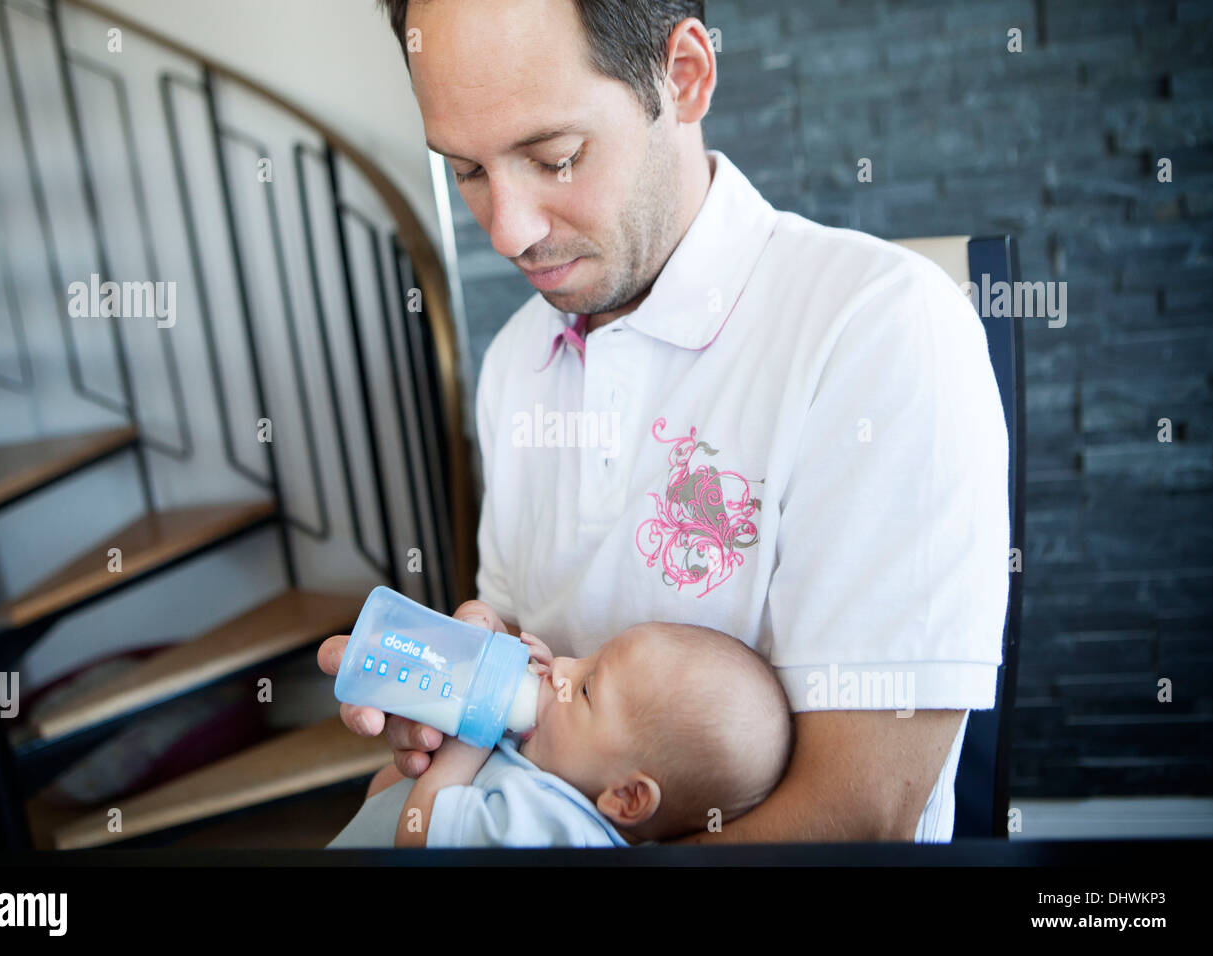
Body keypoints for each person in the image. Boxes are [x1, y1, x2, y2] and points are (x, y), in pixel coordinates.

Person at [318, 0, 1009, 843]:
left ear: (683, 75)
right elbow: (516, 663)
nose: (508, 231)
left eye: (554, 157)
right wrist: (458, 696)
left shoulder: (883, 330)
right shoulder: (513, 362)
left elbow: (855, 821)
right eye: (467, 170)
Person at [325, 622, 792, 847]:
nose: (563, 666)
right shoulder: (553, 772)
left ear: (627, 796)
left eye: (586, 688)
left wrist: (472, 737)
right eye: (587, 658)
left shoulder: (557, 833)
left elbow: (420, 838)